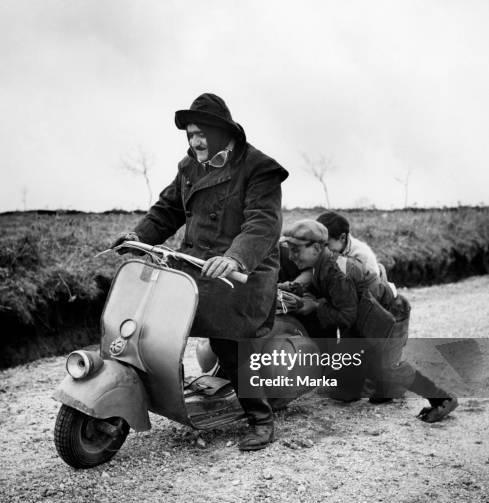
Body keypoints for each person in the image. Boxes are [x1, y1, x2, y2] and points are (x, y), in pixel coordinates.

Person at [112, 93, 288, 450]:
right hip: (194, 264)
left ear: (224, 131)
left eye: (203, 133)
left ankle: (260, 418)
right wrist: (137, 237)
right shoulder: (189, 166)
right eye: (191, 134)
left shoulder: (259, 168)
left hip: (243, 272)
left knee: (229, 337)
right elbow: (167, 210)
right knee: (151, 320)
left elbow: (262, 224)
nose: (195, 141)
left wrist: (236, 258)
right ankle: (160, 391)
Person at [282, 219, 458, 423]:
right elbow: (323, 292)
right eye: (289, 249)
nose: (292, 256)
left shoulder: (338, 271)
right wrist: (300, 294)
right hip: (361, 319)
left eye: (296, 250)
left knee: (387, 370)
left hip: (388, 315)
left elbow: (346, 315)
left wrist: (314, 306)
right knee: (344, 392)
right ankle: (377, 380)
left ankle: (443, 398)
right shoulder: (321, 264)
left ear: (316, 247)